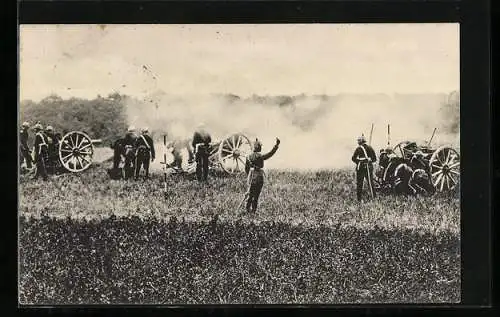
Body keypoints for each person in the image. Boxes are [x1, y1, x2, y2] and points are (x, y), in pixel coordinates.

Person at [244, 138, 280, 213]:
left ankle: (247, 209)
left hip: (251, 177)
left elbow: (246, 169)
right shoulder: (260, 156)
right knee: (256, 196)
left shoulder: (248, 157)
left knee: (250, 194)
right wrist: (276, 146)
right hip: (259, 177)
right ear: (259, 148)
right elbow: (270, 154)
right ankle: (253, 211)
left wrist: (249, 176)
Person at [351, 135, 377, 201]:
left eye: (358, 141)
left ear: (361, 141)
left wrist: (359, 162)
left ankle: (359, 199)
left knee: (360, 183)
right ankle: (374, 197)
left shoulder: (358, 149)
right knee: (370, 183)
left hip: (361, 168)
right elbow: (374, 159)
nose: (357, 142)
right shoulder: (370, 148)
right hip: (369, 167)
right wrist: (369, 161)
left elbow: (353, 158)